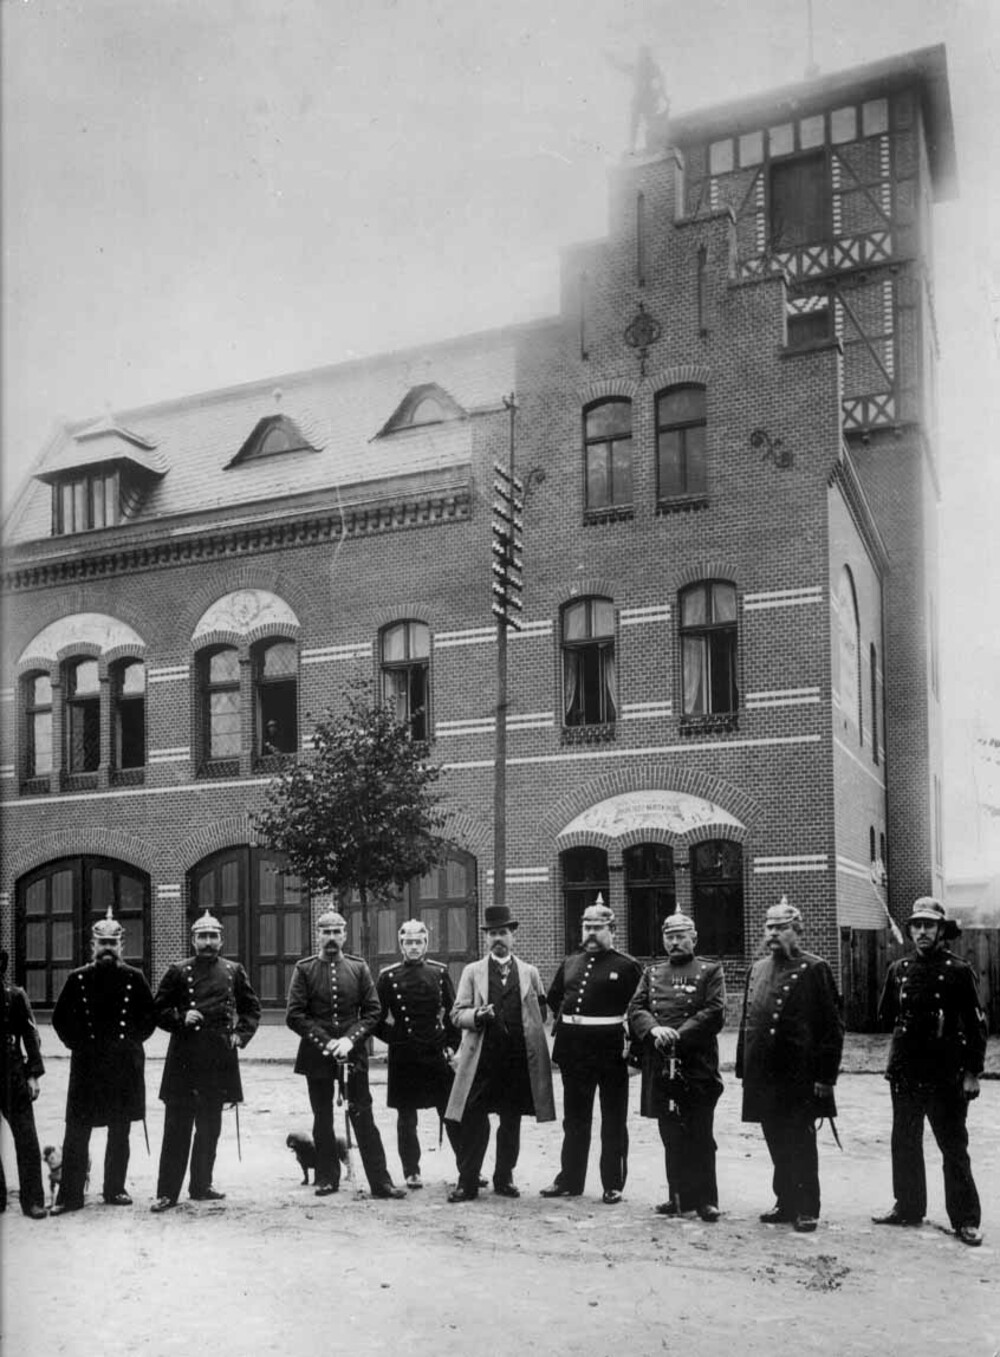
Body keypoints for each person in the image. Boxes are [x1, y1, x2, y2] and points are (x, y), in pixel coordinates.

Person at [872, 897, 987, 1247]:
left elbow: (977, 1025)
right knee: (904, 1142)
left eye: (929, 926)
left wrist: (972, 1073)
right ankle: (908, 1207)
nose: (922, 932)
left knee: (953, 1146)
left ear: (941, 931)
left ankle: (966, 1219)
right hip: (906, 1071)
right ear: (910, 931)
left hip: (945, 1074)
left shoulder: (957, 970)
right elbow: (886, 1015)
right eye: (917, 926)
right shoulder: (899, 970)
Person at [736, 897, 844, 1233]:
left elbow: (832, 1028)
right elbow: (747, 1021)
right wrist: (744, 1068)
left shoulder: (815, 969)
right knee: (774, 1138)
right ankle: (784, 1201)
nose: (772, 933)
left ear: (797, 930)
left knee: (799, 1140)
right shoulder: (758, 969)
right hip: (764, 1073)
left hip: (799, 1074)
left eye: (780, 927)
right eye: (769, 927)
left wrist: (825, 1077)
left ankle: (807, 1206)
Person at [286, 909, 405, 1199]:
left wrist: (351, 1041)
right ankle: (327, 1178)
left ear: (345, 935)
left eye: (336, 932)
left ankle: (381, 1182)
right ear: (317, 935)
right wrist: (327, 1042)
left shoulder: (359, 968)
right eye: (325, 932)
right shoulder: (304, 969)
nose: (331, 938)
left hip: (354, 1055)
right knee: (322, 1117)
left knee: (363, 1115)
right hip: (317, 1055)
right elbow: (295, 1015)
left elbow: (373, 1011)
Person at [150, 910, 260, 1212]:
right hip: (184, 1059)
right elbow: (157, 1010)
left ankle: (201, 1185)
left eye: (213, 936)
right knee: (177, 1127)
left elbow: (252, 1008)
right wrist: (180, 1016)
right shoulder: (177, 970)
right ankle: (167, 1193)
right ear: (193, 940)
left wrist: (241, 1034)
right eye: (202, 936)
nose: (208, 942)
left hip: (218, 1059)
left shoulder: (233, 970)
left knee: (210, 1127)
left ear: (221, 941)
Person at [445, 903, 555, 1202]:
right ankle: (467, 1182)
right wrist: (477, 1015)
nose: (498, 938)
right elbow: (456, 1014)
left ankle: (504, 1177)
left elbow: (542, 1012)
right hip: (482, 1059)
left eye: (503, 933)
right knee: (473, 1121)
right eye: (493, 933)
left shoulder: (530, 972)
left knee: (511, 1121)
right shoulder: (472, 972)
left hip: (517, 1060)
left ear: (513, 936)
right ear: (486, 938)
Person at [50, 907, 157, 1213]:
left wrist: (131, 1043)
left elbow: (148, 1017)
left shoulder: (134, 978)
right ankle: (70, 1196)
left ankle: (115, 1189)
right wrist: (79, 1044)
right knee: (77, 1132)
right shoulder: (77, 978)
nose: (108, 948)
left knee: (120, 1130)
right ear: (93, 946)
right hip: (87, 1066)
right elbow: (60, 1020)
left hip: (123, 1067)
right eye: (102, 943)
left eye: (113, 942)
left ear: (121, 945)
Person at [540, 902, 642, 1204]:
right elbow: (556, 996)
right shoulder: (570, 962)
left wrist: (635, 1054)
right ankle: (570, 1180)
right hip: (574, 1052)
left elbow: (639, 1009)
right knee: (574, 1119)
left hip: (610, 1052)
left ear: (613, 930)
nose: (592, 933)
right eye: (587, 927)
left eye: (598, 927)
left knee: (613, 1119)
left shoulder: (627, 966)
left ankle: (612, 1183)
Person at [628, 909, 726, 1221]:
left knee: (700, 1132)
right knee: (670, 1133)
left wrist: (678, 1036)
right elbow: (636, 1008)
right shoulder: (652, 973)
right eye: (669, 937)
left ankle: (706, 1199)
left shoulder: (711, 971)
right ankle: (678, 1196)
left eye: (681, 936)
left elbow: (714, 1012)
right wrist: (654, 1029)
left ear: (694, 938)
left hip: (697, 1066)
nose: (675, 942)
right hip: (660, 1064)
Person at [375, 919, 461, 1188]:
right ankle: (411, 1170)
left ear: (426, 943)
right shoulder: (388, 976)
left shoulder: (439, 972)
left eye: (418, 942)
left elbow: (454, 1012)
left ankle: (468, 1168)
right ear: (401, 944)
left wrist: (450, 1044)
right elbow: (375, 1018)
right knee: (406, 1117)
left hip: (435, 1052)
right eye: (408, 942)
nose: (413, 947)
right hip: (405, 1056)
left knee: (449, 1111)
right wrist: (396, 1040)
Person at [0, 948, 47, 1219]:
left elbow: (31, 1038)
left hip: (12, 1076)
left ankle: (33, 1201)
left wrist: (32, 1075)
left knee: (27, 1137)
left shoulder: (14, 997)